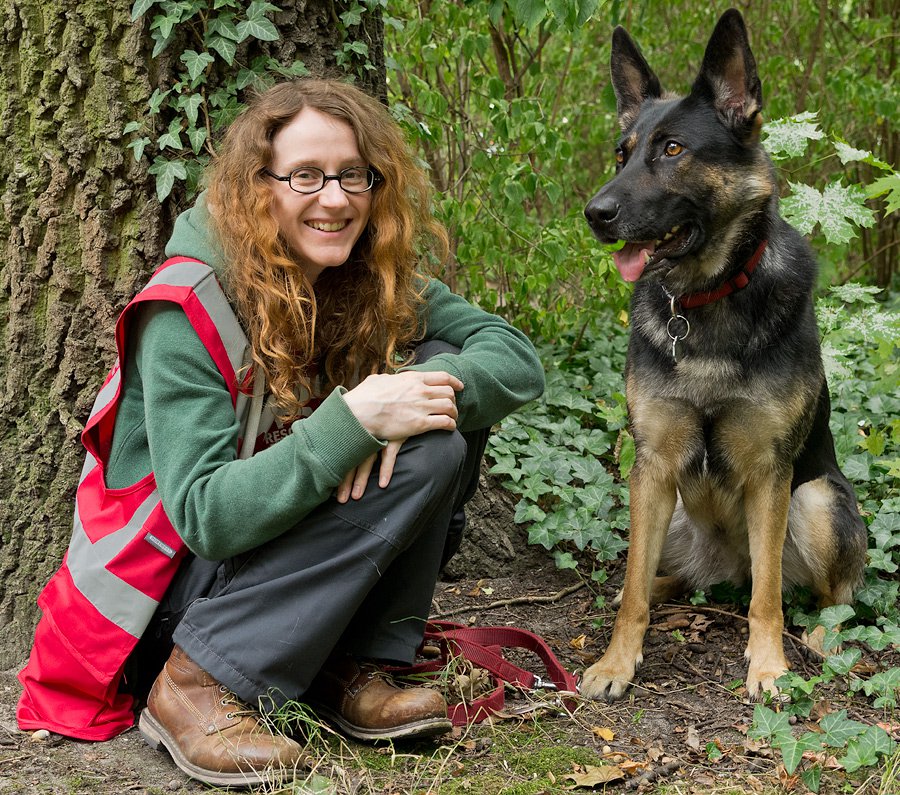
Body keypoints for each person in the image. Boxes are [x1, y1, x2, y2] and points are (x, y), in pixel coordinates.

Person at [16, 78, 545, 786]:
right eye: (306, 175)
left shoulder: (360, 278)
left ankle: (350, 663)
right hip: (162, 610)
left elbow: (513, 358)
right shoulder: (186, 307)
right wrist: (353, 421)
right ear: (256, 187)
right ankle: (195, 685)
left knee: (437, 397)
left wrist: (398, 403)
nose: (335, 198)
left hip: (275, 588)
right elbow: (207, 515)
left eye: (353, 175)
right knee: (413, 417)